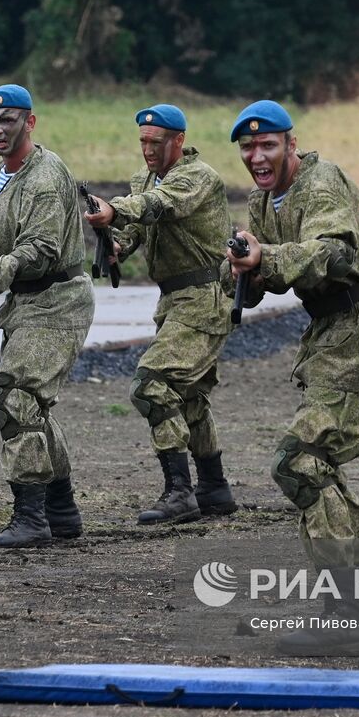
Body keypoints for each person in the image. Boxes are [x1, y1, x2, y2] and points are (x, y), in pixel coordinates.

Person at [224, 99, 359, 656]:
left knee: (298, 461)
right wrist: (244, 267)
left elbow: (335, 254)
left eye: (267, 146)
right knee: (317, 466)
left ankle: (347, 613)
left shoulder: (322, 182)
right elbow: (268, 276)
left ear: (291, 144)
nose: (257, 157)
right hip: (333, 336)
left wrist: (269, 257)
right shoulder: (262, 201)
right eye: (248, 149)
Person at [81, 104, 236, 524]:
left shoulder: (198, 178)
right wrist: (111, 244)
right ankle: (214, 488)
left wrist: (115, 209)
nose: (148, 150)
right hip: (173, 300)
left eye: (157, 142)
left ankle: (179, 491)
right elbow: (131, 233)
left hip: (205, 297)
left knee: (150, 384)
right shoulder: (143, 180)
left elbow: (160, 205)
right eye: (143, 142)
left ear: (179, 141)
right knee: (189, 396)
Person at [0, 84, 95, 548]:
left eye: (9, 120)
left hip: (56, 299)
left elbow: (40, 252)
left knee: (13, 400)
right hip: (24, 304)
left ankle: (31, 517)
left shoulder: (45, 176)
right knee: (32, 407)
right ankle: (60, 511)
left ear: (30, 122)